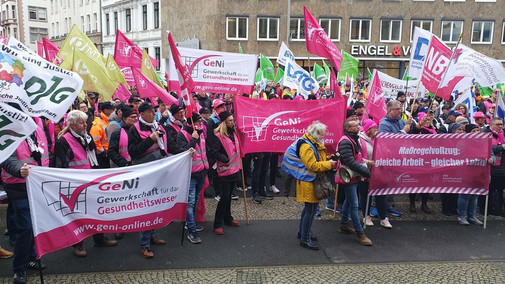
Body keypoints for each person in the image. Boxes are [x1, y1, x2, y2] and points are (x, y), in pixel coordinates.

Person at [52, 110, 117, 257]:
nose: (84, 125)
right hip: (75, 184)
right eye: (81, 123)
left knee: (94, 211)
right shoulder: (63, 141)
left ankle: (99, 238)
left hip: (90, 181)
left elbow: (94, 157)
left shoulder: (86, 138)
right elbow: (60, 166)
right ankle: (77, 244)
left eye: (85, 122)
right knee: (76, 215)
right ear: (73, 125)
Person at [2, 116, 48, 284]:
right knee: (26, 227)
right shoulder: (8, 128)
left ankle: (30, 257)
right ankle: (19, 269)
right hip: (18, 185)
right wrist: (18, 170)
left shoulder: (37, 125)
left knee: (35, 225)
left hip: (37, 183)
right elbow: (7, 157)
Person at [128, 102, 171, 258]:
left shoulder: (157, 126)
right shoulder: (135, 129)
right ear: (142, 113)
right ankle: (144, 244)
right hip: (144, 174)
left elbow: (164, 147)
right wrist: (150, 140)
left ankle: (151, 235)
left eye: (154, 111)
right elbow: (133, 152)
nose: (154, 113)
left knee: (155, 206)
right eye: (150, 111)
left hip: (157, 172)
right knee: (146, 208)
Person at [292, 121, 337, 250]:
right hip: (309, 181)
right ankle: (305, 239)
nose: (323, 136)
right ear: (315, 134)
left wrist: (327, 159)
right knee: (310, 210)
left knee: (308, 209)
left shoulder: (310, 143)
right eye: (322, 134)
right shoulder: (307, 146)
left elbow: (315, 161)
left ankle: (303, 233)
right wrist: (329, 164)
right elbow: (312, 165)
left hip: (309, 180)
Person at [338, 120, 373, 246]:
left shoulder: (352, 139)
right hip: (348, 176)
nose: (358, 127)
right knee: (354, 204)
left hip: (352, 176)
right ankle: (360, 233)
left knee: (349, 200)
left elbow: (355, 157)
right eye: (355, 126)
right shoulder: (346, 141)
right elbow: (350, 162)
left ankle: (344, 224)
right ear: (348, 128)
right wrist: (366, 171)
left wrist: (367, 163)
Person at [176, 112, 209, 244]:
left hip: (202, 171)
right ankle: (192, 231)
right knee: (190, 202)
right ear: (191, 122)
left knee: (194, 201)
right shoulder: (182, 135)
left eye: (201, 121)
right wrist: (193, 139)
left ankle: (191, 222)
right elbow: (183, 152)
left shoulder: (201, 133)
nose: (200, 123)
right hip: (190, 174)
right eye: (198, 121)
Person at [207, 111, 241, 235]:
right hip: (224, 170)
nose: (232, 122)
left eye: (233, 120)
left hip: (235, 169)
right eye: (230, 120)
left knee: (229, 196)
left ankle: (228, 218)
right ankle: (217, 223)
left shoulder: (234, 133)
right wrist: (225, 159)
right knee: (225, 197)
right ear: (224, 122)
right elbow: (214, 152)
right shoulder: (217, 136)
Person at [358, 119, 391, 228]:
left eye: (376, 127)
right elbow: (357, 157)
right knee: (365, 195)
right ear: (367, 129)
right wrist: (367, 162)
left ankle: (383, 217)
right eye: (373, 128)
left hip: (379, 172)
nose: (376, 130)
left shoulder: (380, 139)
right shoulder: (360, 140)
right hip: (366, 172)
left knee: (381, 195)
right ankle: (366, 216)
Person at [481, 118, 505, 216]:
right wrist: (501, 147)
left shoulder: (502, 134)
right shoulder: (486, 134)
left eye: (501, 124)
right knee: (490, 189)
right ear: (491, 125)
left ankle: (499, 209)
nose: (500, 126)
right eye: (498, 124)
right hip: (490, 167)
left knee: (500, 190)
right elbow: (485, 148)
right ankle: (488, 209)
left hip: (501, 167)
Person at [89, 102, 115, 168]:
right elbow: (95, 141)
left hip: (110, 154)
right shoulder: (98, 123)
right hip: (104, 157)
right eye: (112, 110)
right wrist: (104, 154)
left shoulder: (108, 121)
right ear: (106, 111)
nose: (114, 111)